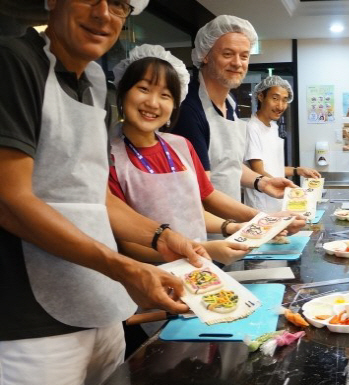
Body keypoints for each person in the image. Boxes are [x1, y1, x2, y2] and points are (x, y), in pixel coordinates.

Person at [0, 1, 211, 385]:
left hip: (101, 308)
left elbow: (92, 192)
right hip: (34, 325)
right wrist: (124, 268)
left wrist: (160, 235)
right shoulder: (14, 63)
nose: (103, 14)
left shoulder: (95, 85)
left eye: (118, 4)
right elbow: (11, 201)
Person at [108, 45, 250, 264]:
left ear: (174, 104)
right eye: (144, 89)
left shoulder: (181, 146)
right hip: (151, 279)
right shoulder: (110, 157)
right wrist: (204, 250)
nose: (153, 103)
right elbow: (128, 244)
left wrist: (230, 226)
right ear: (123, 91)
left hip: (200, 272)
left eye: (165, 95)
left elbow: (193, 209)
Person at [172, 15, 295, 205]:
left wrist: (263, 182)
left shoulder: (230, 104)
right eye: (228, 54)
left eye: (244, 56)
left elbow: (229, 166)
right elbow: (202, 191)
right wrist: (258, 219)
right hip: (202, 228)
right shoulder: (190, 109)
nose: (238, 63)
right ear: (205, 55)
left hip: (230, 223)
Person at [244, 75, 321, 212]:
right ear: (261, 97)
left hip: (277, 200)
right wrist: (292, 192)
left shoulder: (273, 126)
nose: (280, 106)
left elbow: (274, 166)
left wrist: (298, 170)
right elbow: (258, 171)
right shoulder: (252, 128)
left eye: (284, 100)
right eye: (275, 98)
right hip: (261, 204)